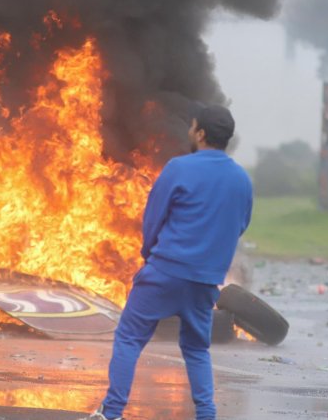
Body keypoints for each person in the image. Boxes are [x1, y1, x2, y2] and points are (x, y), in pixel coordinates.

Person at [82, 105, 254, 420]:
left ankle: (112, 413)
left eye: (192, 127)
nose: (189, 132)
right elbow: (240, 225)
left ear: (200, 133)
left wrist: (150, 258)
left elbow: (153, 220)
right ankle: (206, 415)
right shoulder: (242, 179)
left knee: (129, 338)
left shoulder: (178, 168)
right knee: (197, 349)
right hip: (205, 282)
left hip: (165, 272)